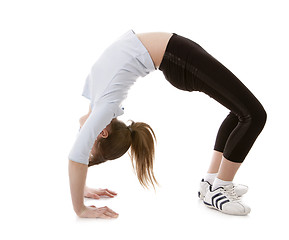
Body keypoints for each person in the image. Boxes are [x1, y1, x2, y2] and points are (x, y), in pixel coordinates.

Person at [68, 29, 267, 218]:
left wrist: (83, 187)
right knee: (254, 115)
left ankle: (211, 181)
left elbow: (79, 153)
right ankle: (220, 189)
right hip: (179, 58)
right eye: (89, 148)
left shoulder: (97, 105)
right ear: (103, 133)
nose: (84, 144)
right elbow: (77, 157)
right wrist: (80, 210)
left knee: (239, 110)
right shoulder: (104, 107)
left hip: (178, 54)